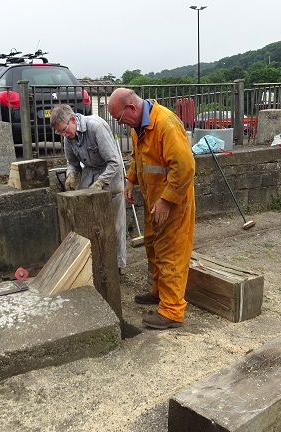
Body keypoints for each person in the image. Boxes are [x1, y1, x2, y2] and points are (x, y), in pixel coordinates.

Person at [107, 88, 195, 330]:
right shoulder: (140, 128)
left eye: (119, 118)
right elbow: (139, 158)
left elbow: (185, 166)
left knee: (171, 253)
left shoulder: (165, 123)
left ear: (131, 109)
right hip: (153, 200)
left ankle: (172, 311)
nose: (120, 124)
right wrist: (130, 180)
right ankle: (159, 293)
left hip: (172, 202)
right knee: (153, 247)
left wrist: (167, 200)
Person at [50, 104, 127, 270]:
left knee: (114, 226)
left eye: (64, 130)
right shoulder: (67, 137)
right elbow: (72, 163)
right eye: (60, 133)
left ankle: (116, 267)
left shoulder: (96, 127)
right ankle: (94, 266)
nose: (63, 134)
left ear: (72, 120)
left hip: (110, 176)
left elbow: (114, 162)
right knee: (89, 223)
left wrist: (100, 183)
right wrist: (71, 174)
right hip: (89, 174)